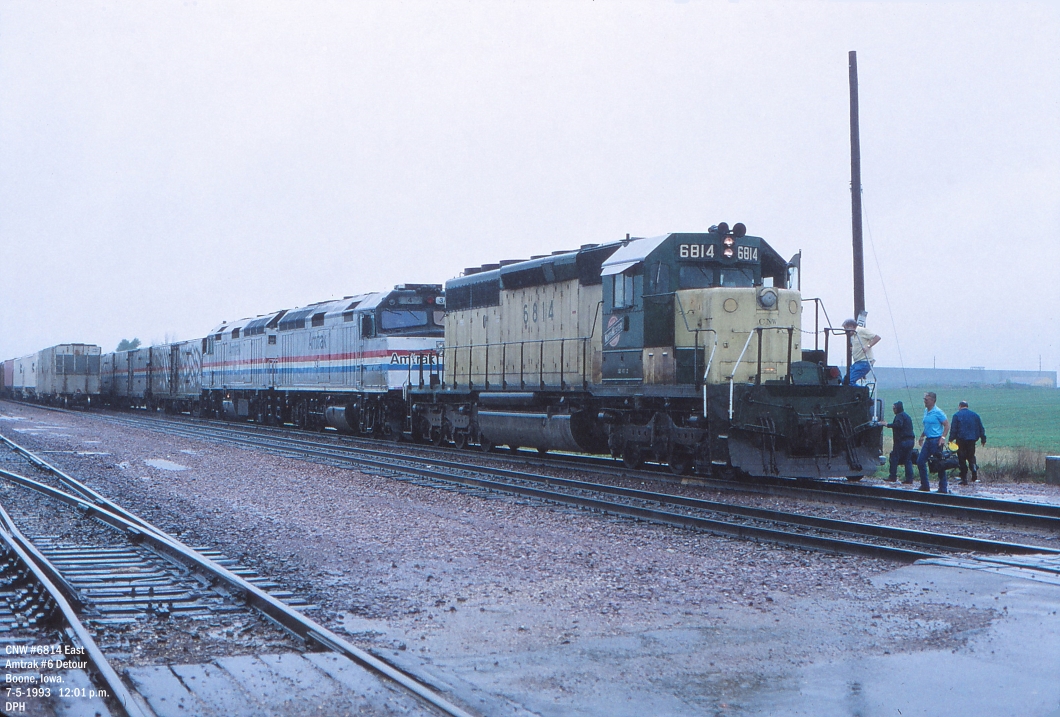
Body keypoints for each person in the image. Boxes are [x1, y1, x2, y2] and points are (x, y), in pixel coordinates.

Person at [917, 391, 951, 493]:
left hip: (936, 441)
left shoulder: (938, 412)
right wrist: (922, 436)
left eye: (926, 400)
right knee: (920, 461)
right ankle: (925, 485)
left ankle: (943, 487)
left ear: (932, 400)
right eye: (924, 400)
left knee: (939, 464)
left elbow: (946, 425)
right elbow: (927, 426)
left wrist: (943, 437)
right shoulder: (925, 411)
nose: (925, 402)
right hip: (928, 440)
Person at [949, 400, 986, 485]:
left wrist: (951, 440)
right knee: (971, 457)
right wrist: (983, 439)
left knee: (961, 459)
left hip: (961, 440)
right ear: (967, 406)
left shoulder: (956, 415)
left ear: (960, 406)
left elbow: (954, 429)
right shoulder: (975, 415)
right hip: (972, 440)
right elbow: (981, 428)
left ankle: (964, 478)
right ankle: (974, 473)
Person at [885, 401, 916, 483]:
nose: (893, 410)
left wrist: (887, 425)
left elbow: (898, 425)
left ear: (897, 408)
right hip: (910, 441)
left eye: (894, 408)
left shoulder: (899, 416)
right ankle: (909, 479)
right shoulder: (907, 416)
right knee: (908, 460)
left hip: (901, 441)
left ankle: (892, 476)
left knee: (894, 458)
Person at [842, 319, 880, 385]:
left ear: (851, 326)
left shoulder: (861, 330)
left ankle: (864, 393)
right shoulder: (853, 336)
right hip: (857, 362)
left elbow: (877, 337)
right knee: (844, 381)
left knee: (850, 382)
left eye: (846, 329)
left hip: (864, 362)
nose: (846, 332)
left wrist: (868, 346)